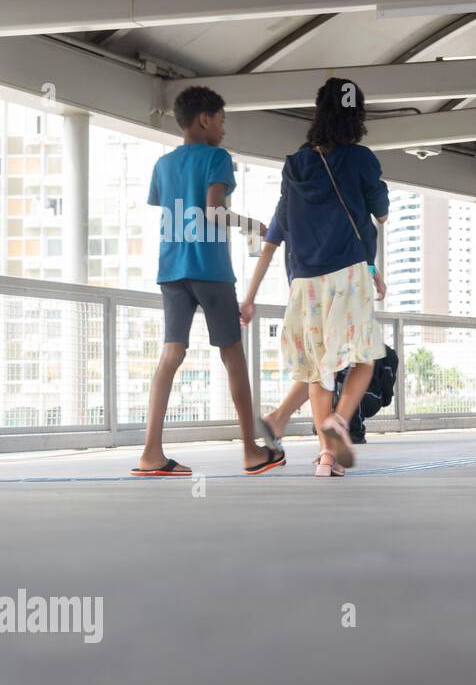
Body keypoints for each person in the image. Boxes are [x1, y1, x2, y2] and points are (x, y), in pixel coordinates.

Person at [131, 85, 283, 478]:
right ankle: (251, 450)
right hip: (210, 270)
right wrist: (254, 226)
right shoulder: (217, 158)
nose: (223, 129)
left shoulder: (163, 166)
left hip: (171, 272)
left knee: (171, 354)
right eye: (221, 120)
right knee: (233, 357)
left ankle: (151, 453)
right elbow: (214, 211)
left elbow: (174, 209)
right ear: (204, 119)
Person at [245, 77, 390, 477]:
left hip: (305, 282)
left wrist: (251, 293)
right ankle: (339, 422)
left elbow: (279, 229)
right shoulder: (361, 158)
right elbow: (379, 208)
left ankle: (326, 457)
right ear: (357, 115)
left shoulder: (295, 164)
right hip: (347, 272)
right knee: (365, 358)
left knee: (316, 370)